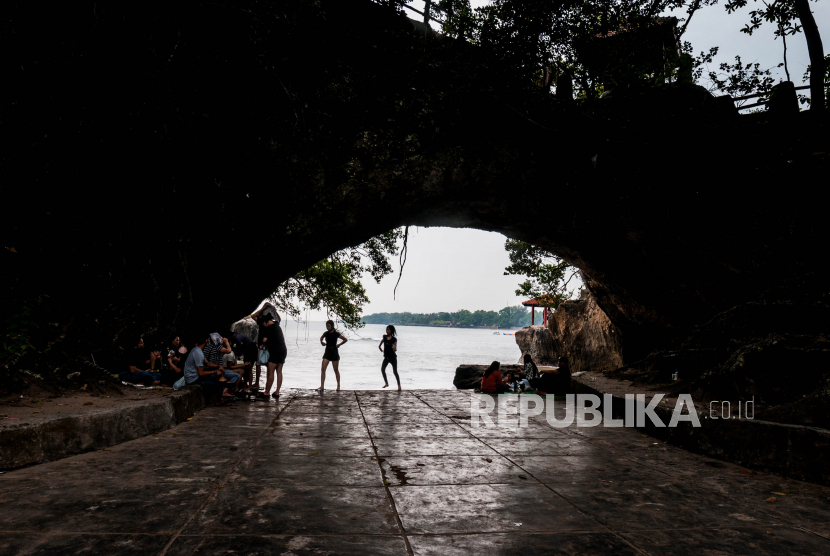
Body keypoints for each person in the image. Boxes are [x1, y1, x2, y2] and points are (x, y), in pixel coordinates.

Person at [183, 334, 228, 404]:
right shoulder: (198, 353)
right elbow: (201, 373)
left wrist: (219, 366)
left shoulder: (197, 349)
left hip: (193, 375)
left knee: (218, 374)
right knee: (218, 382)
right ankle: (218, 401)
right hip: (193, 379)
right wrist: (215, 372)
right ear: (206, 341)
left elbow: (208, 363)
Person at [258, 313, 287, 399]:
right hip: (283, 350)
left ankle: (267, 392)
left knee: (270, 371)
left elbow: (265, 340)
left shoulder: (270, 328)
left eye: (262, 324)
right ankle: (277, 392)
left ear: (265, 321)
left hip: (275, 352)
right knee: (279, 371)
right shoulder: (277, 326)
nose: (263, 326)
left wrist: (262, 344)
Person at [204, 333, 240, 399]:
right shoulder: (218, 347)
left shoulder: (207, 346)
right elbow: (229, 350)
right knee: (236, 375)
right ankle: (225, 391)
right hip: (215, 370)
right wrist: (226, 342)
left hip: (207, 369)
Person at [318, 320, 347, 392]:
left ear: (332, 326)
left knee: (336, 370)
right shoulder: (326, 333)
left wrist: (339, 344)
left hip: (334, 352)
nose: (327, 327)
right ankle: (322, 386)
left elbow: (345, 339)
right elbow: (321, 338)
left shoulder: (336, 334)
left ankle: (338, 385)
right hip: (327, 352)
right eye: (326, 326)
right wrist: (322, 342)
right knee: (323, 369)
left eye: (328, 326)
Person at [378, 325, 400, 390]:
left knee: (395, 371)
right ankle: (386, 383)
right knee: (382, 369)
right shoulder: (384, 337)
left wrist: (394, 348)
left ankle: (399, 385)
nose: (387, 330)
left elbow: (395, 349)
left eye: (388, 329)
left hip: (393, 357)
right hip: (386, 358)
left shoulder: (394, 339)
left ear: (391, 330)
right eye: (386, 329)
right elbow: (379, 345)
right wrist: (380, 348)